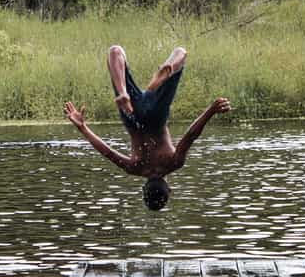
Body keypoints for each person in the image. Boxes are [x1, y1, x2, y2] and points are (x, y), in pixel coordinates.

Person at [63, 45, 231, 210]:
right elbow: (107, 152)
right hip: (131, 116)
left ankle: (166, 72)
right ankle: (123, 92)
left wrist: (211, 110)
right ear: (143, 189)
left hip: (156, 117)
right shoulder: (134, 168)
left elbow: (191, 135)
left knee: (181, 52)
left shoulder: (173, 163)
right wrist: (82, 128)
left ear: (170, 190)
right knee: (115, 52)